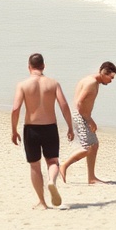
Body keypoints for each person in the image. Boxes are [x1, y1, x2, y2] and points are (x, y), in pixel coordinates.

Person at [10, 53, 74, 209]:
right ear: (43, 66)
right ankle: (52, 181)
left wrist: (14, 130)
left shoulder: (23, 85)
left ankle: (43, 202)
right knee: (52, 161)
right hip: (50, 127)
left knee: (34, 165)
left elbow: (15, 109)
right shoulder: (53, 83)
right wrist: (70, 127)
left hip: (31, 129)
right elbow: (64, 105)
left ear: (29, 67)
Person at [60, 61, 116, 184]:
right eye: (111, 78)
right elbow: (79, 103)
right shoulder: (91, 83)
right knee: (86, 148)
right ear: (104, 73)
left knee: (94, 145)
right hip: (79, 116)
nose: (111, 81)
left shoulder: (93, 81)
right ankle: (63, 165)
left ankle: (91, 178)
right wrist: (89, 119)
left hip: (82, 115)